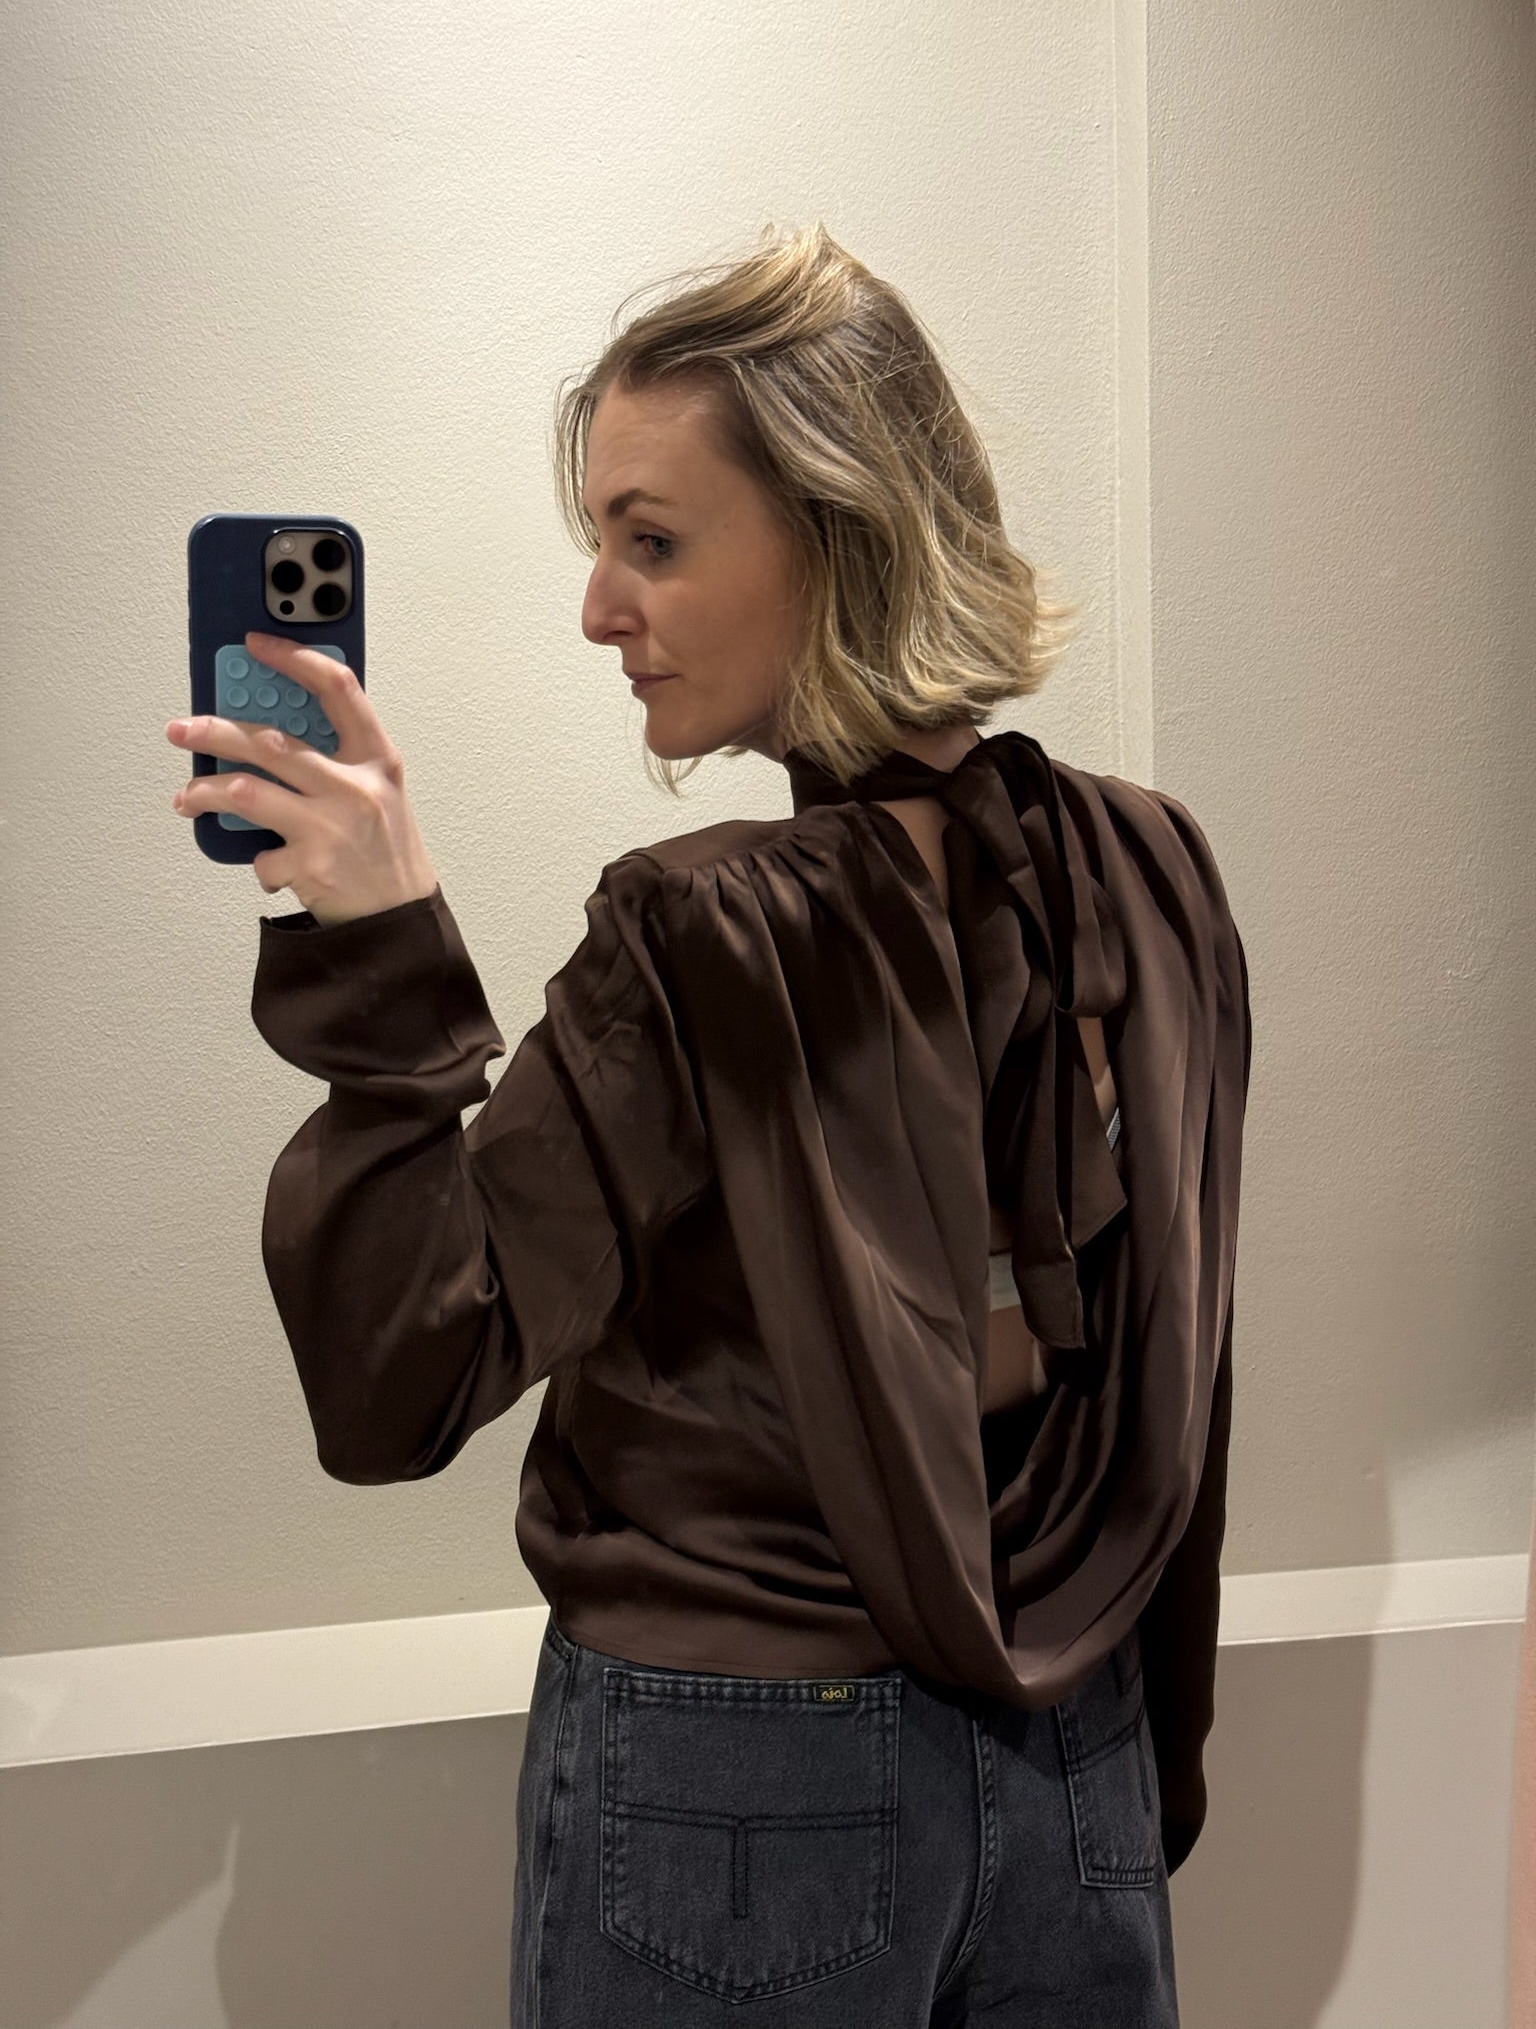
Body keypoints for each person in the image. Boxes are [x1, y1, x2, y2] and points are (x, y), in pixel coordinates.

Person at [170, 223, 1250, 2027]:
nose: (601, 608)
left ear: (838, 533)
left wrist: (382, 955)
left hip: (739, 1778)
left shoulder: (706, 930)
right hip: (1084, 1752)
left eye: (651, 542)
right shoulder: (1153, 870)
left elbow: (400, 1377)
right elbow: (1174, 1378)